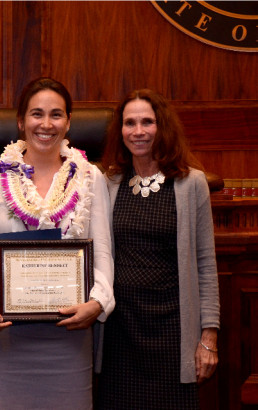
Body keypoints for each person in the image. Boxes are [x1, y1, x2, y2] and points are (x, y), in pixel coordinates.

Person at [0, 77, 115, 409]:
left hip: (70, 336)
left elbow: (103, 254)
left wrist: (97, 303)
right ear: (20, 121)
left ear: (69, 122)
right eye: (36, 114)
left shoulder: (91, 177)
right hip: (8, 337)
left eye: (56, 114)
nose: (46, 124)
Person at [96, 89, 220, 409]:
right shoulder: (107, 182)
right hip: (119, 332)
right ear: (119, 130)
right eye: (129, 123)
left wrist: (208, 337)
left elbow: (205, 263)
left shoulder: (192, 183)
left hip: (172, 332)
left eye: (147, 122)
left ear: (162, 126)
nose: (138, 131)